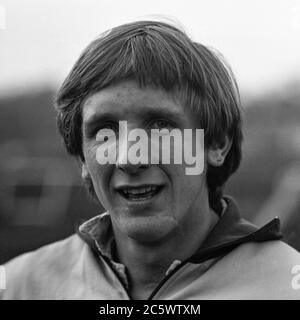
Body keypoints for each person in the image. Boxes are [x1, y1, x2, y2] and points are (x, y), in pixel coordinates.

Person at [1, 20, 300, 300]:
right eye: (104, 131)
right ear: (82, 159)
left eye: (159, 125)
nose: (130, 158)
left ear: (216, 143)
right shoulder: (19, 285)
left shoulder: (287, 288)